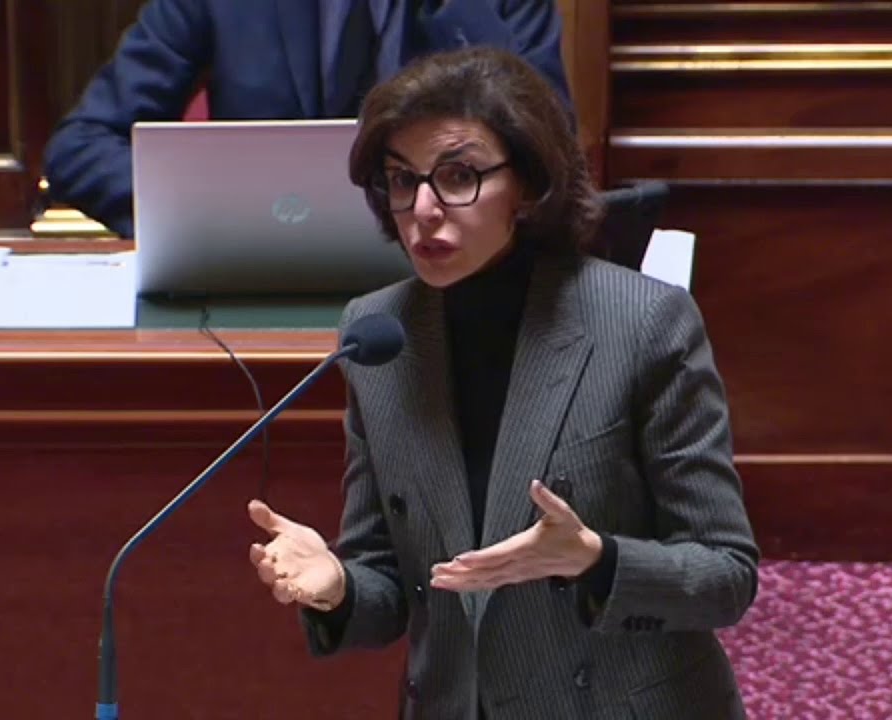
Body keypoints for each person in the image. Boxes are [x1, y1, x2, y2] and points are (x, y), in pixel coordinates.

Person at [246, 46, 759, 719]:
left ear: (529, 185)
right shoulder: (381, 334)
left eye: (458, 176)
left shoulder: (642, 322)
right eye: (401, 180)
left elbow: (726, 574)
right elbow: (392, 588)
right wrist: (338, 585)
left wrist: (595, 558)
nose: (423, 208)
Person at [42, 0, 571, 239]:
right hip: (258, 286)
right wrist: (215, 212)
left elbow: (551, 149)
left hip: (453, 286)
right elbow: (81, 145)